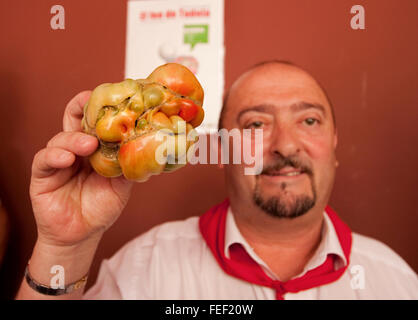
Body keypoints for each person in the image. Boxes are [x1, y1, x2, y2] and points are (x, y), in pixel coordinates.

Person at [16, 61, 418, 300]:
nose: (284, 144)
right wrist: (65, 246)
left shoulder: (396, 282)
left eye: (309, 120)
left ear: (332, 144)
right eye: (256, 123)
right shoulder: (144, 269)